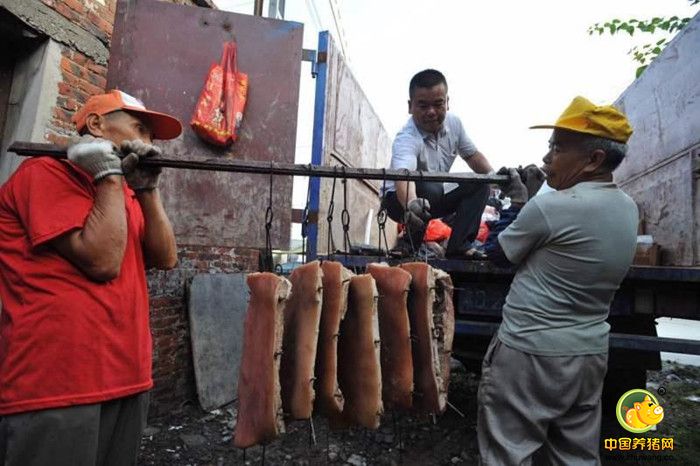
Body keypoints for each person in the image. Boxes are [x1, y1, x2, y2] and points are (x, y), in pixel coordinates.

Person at [0, 89, 181, 466]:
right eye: (139, 128)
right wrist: (109, 176)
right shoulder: (45, 173)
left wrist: (147, 189)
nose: (146, 142)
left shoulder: (121, 192)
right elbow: (102, 262)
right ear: (96, 124)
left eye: (150, 136)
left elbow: (165, 257)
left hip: (128, 375)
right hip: (57, 383)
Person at [477, 96, 639, 465]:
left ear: (594, 159)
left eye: (558, 148)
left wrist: (519, 202)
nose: (548, 157)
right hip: (587, 354)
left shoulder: (552, 206)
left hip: (528, 353)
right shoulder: (628, 209)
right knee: (574, 455)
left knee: (508, 451)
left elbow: (499, 254)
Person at [381, 69, 494, 258]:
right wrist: (411, 203)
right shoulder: (406, 138)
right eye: (423, 105)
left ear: (447, 102)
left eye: (438, 104)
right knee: (431, 188)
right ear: (410, 106)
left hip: (434, 196)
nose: (431, 112)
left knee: (480, 184)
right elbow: (403, 176)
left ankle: (460, 246)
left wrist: (496, 177)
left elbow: (472, 156)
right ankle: (408, 245)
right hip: (399, 201)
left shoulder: (454, 125)